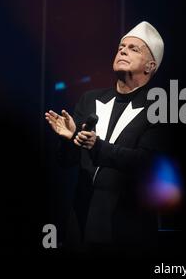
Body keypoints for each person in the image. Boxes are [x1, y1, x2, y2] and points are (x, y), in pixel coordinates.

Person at [45, 21, 168, 254]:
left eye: (134, 48)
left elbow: (146, 163)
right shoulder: (90, 99)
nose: (122, 50)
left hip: (128, 230)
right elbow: (66, 162)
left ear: (150, 66)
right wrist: (69, 139)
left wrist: (97, 146)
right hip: (81, 226)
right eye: (121, 46)